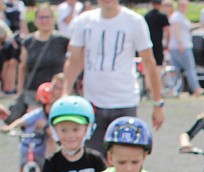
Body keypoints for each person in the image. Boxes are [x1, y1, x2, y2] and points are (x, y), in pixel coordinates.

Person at [62, 0, 165, 152]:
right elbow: (75, 60)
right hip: (92, 103)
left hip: (124, 101)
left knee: (125, 158)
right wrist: (65, 93)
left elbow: (149, 63)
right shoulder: (84, 21)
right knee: (93, 159)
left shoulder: (134, 21)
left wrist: (158, 103)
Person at [14, 4, 69, 121]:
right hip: (33, 93)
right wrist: (19, 91)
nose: (44, 20)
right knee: (34, 124)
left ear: (53, 19)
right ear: (35, 20)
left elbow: (70, 64)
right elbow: (22, 66)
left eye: (48, 17)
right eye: (41, 17)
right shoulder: (28, 41)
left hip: (56, 92)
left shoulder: (63, 40)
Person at [2, 80, 53, 168]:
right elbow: (22, 120)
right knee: (23, 161)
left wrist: (45, 126)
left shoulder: (53, 117)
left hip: (42, 146)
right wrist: (10, 127)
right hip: (28, 143)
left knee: (44, 164)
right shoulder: (37, 113)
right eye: (48, 105)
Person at [166, 0, 203, 96]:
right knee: (189, 68)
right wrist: (180, 43)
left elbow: (187, 28)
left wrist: (199, 25)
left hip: (177, 46)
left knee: (176, 70)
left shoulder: (180, 16)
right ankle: (196, 89)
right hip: (181, 46)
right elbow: (176, 31)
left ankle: (174, 90)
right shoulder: (177, 17)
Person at [144, 0, 169, 70]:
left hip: (148, 44)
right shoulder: (162, 16)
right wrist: (167, 42)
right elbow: (167, 31)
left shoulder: (147, 16)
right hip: (158, 43)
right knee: (158, 65)